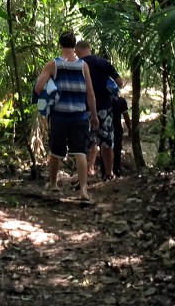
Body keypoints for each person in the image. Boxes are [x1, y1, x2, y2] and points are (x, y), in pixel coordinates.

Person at [34, 31, 99, 204]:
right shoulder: (83, 66)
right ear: (74, 45)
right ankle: (84, 190)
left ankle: (53, 184)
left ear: (60, 44)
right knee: (80, 152)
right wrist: (93, 115)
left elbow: (39, 87)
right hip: (79, 116)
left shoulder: (53, 65)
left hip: (59, 116)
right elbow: (90, 93)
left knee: (56, 151)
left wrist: (51, 95)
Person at [74, 41, 124, 181]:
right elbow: (119, 82)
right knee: (107, 142)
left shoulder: (77, 65)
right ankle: (109, 174)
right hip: (104, 108)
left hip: (83, 109)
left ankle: (83, 178)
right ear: (89, 49)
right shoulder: (103, 62)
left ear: (77, 51)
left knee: (84, 143)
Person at [111, 90, 131, 177]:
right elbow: (126, 116)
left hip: (106, 129)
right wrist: (130, 128)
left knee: (106, 149)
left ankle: (106, 171)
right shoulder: (121, 101)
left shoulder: (104, 100)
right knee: (117, 150)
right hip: (117, 129)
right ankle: (116, 170)